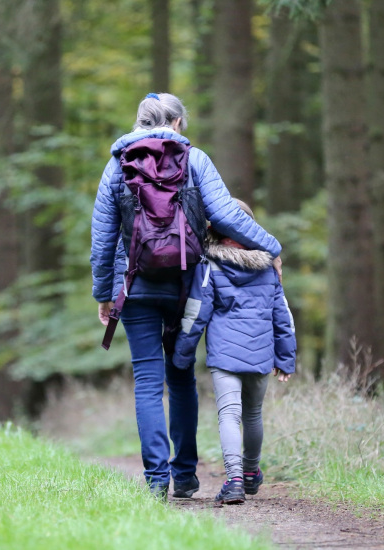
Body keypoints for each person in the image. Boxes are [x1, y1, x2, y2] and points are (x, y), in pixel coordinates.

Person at [90, 93, 282, 500]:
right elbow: (228, 215)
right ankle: (186, 475)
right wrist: (272, 247)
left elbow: (103, 238)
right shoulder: (195, 160)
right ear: (177, 123)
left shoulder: (116, 166)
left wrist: (104, 293)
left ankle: (157, 480)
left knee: (146, 380)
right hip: (187, 286)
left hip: (136, 285)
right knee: (180, 376)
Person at [172, 199, 296, 506]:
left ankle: (235, 480)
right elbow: (283, 316)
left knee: (229, 414)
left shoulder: (210, 265)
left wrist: (182, 354)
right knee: (253, 414)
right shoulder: (268, 267)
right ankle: (252, 473)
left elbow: (196, 312)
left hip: (225, 356)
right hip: (261, 352)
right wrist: (286, 357)